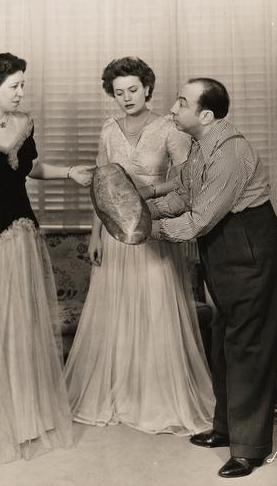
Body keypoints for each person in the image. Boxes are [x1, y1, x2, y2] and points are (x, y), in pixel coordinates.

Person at [0, 52, 94, 464]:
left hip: (22, 234)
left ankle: (27, 421)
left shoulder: (24, 125)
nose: (21, 92)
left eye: (23, 85)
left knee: (22, 329)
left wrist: (70, 173)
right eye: (15, 86)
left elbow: (31, 168)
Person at [64, 57, 215, 436]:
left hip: (154, 232)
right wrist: (96, 235)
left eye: (133, 89)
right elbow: (102, 187)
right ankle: (122, 394)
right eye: (119, 92)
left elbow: (188, 179)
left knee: (155, 312)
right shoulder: (108, 130)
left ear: (147, 88)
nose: (127, 97)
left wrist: (149, 192)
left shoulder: (169, 129)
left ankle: (154, 398)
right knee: (116, 315)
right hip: (115, 236)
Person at [146, 77, 277, 478]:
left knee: (248, 346)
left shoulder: (230, 152)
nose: (172, 109)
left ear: (206, 115)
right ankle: (226, 429)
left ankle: (249, 449)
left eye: (181, 103)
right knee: (225, 341)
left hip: (247, 246)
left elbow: (198, 220)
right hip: (224, 247)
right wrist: (143, 209)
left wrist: (144, 230)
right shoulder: (198, 145)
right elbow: (183, 196)